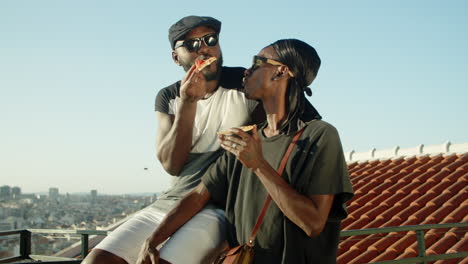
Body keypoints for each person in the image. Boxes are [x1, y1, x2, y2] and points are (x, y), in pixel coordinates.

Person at [136, 38, 354, 264]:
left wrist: (258, 165)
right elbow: (198, 196)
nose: (247, 71)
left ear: (280, 72)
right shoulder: (244, 137)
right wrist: (153, 241)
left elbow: (313, 223)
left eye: (258, 63)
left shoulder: (320, 136)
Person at [83, 16, 261, 264]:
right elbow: (171, 164)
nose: (204, 48)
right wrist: (187, 103)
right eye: (191, 44)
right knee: (97, 260)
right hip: (173, 202)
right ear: (176, 57)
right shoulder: (168, 96)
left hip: (220, 205)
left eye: (210, 39)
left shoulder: (246, 83)